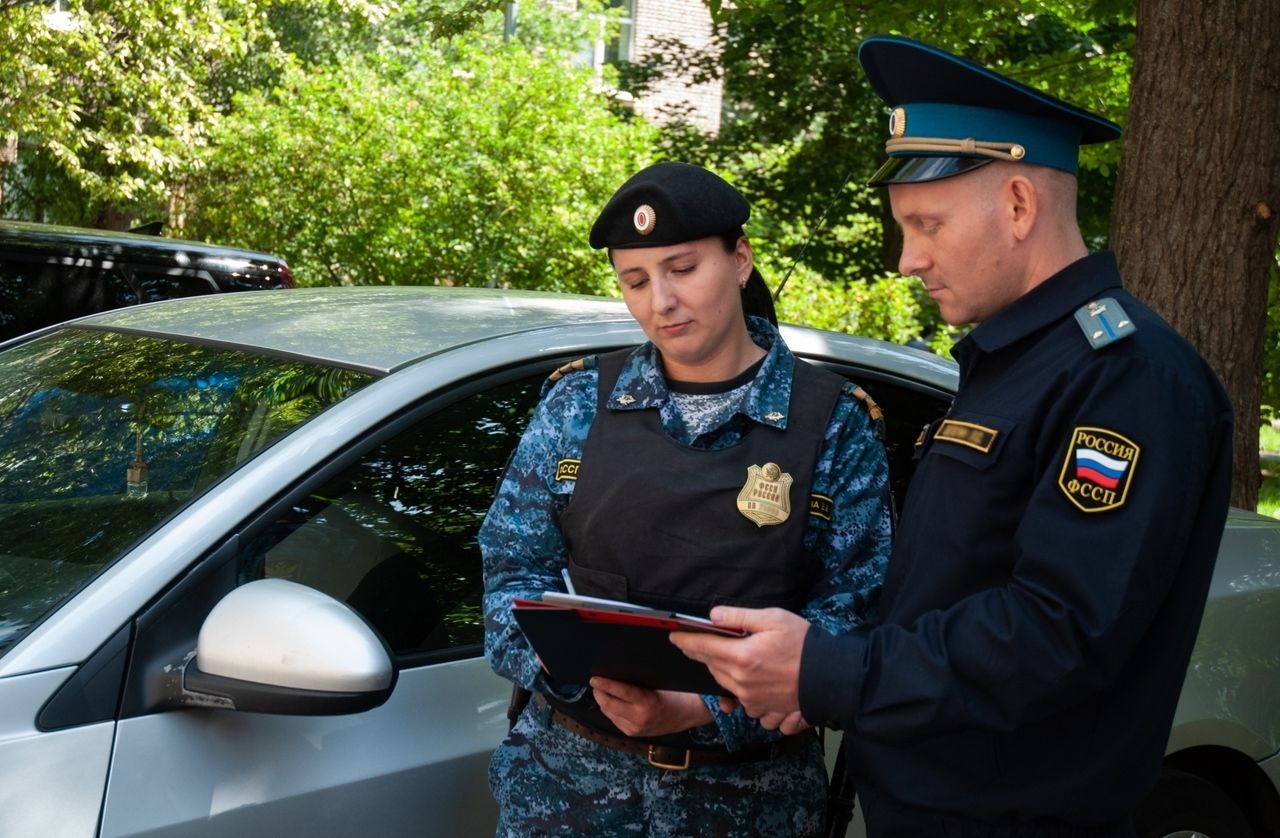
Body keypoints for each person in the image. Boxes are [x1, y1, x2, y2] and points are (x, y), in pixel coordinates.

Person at [672, 35, 1234, 837]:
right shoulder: (1020, 361)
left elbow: (1056, 634)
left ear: (1017, 205)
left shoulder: (1125, 375)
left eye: (927, 223)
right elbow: (952, 587)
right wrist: (812, 675)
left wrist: (830, 671)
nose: (908, 259)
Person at [479, 161, 893, 836]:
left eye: (683, 269)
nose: (660, 302)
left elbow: (856, 619)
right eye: (635, 281)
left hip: (749, 807)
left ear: (739, 259)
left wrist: (702, 705)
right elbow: (507, 582)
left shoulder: (834, 425)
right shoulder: (576, 404)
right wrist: (587, 680)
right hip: (566, 797)